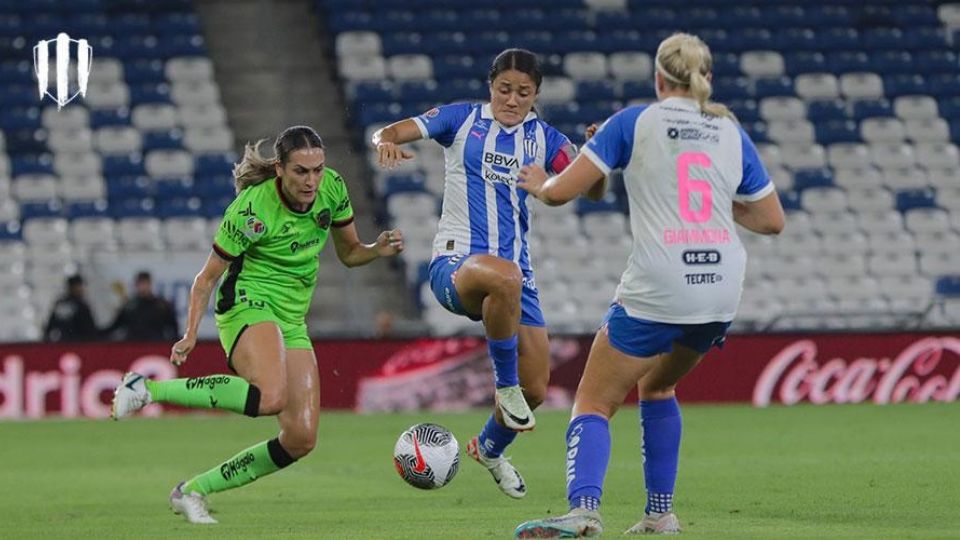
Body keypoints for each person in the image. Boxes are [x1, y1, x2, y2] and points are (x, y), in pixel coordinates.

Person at [513, 33, 785, 538]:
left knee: (593, 402)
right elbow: (771, 220)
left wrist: (540, 184)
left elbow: (561, 193)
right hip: (720, 286)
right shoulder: (728, 128)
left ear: (659, 79)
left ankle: (584, 512)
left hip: (661, 283)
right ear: (705, 78)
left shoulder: (633, 121)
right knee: (658, 384)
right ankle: (660, 514)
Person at [110, 125, 405, 524]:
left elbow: (350, 253)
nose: (312, 180)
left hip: (292, 315)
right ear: (281, 169)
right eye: (301, 171)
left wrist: (376, 249)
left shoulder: (332, 189)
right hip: (247, 301)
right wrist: (191, 332)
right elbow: (206, 279)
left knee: (301, 439)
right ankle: (146, 388)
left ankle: (194, 490)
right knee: (269, 397)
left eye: (317, 170)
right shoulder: (252, 210)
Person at [373, 48, 596, 499]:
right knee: (505, 283)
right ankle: (503, 385)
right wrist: (385, 142)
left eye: (523, 93)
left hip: (516, 275)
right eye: (504, 90)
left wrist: (592, 158)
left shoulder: (547, 139)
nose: (512, 100)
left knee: (537, 388)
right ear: (490, 86)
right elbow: (391, 130)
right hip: (456, 265)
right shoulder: (460, 120)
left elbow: (584, 188)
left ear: (536, 95)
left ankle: (490, 449)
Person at [101, 271, 179, 341]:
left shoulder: (161, 306)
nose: (144, 287)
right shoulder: (129, 306)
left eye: (145, 283)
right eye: (141, 284)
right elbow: (116, 325)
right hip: (133, 345)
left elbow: (172, 327)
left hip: (155, 344)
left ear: (150, 284)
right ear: (136, 285)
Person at [43, 274, 98, 342]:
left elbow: (49, 329)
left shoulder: (60, 303)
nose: (82, 289)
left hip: (62, 345)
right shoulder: (81, 306)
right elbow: (91, 332)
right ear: (72, 287)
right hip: (79, 346)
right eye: (80, 286)